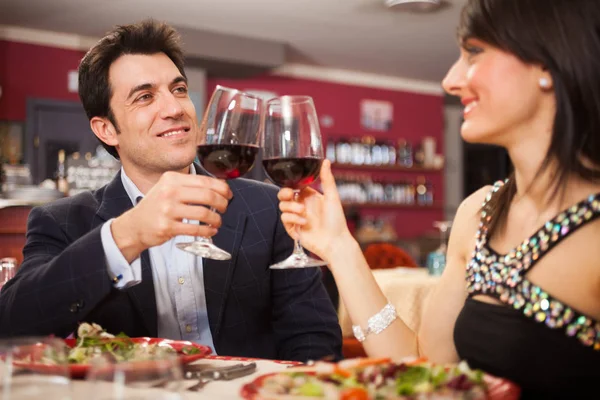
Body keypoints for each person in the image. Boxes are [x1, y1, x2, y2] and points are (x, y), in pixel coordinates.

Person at [277, 0, 600, 397]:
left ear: (547, 65)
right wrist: (338, 245)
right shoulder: (478, 213)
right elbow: (426, 370)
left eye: (474, 53)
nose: (450, 80)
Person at [0, 19, 342, 362]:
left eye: (178, 89)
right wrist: (126, 235)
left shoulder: (269, 208)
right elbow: (12, 324)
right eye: (145, 97)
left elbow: (315, 341)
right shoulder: (61, 221)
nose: (176, 108)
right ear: (106, 129)